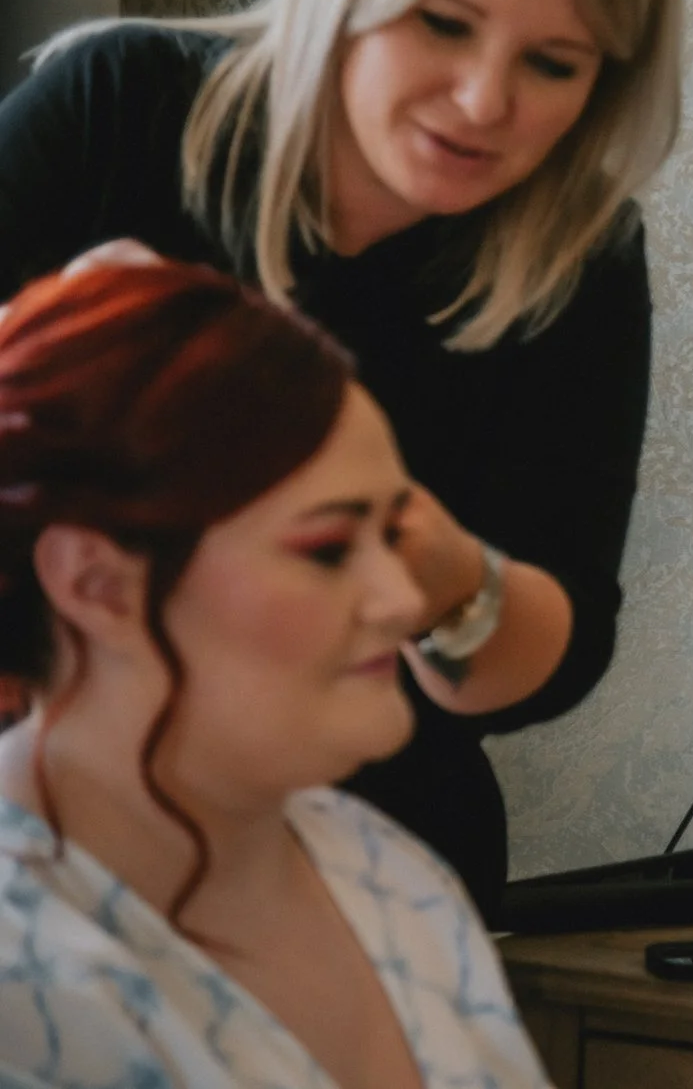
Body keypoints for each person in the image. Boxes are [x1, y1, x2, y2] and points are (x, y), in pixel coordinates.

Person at [0, 0, 682, 920]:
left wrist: (420, 553)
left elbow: (548, 666)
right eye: (443, 23)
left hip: (374, 853)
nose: (482, 101)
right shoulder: (115, 111)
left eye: (551, 64)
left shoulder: (579, 265)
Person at [0, 260, 550, 1087]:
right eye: (328, 548)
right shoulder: (24, 984)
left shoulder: (389, 872)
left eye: (392, 535)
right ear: (96, 583)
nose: (403, 600)